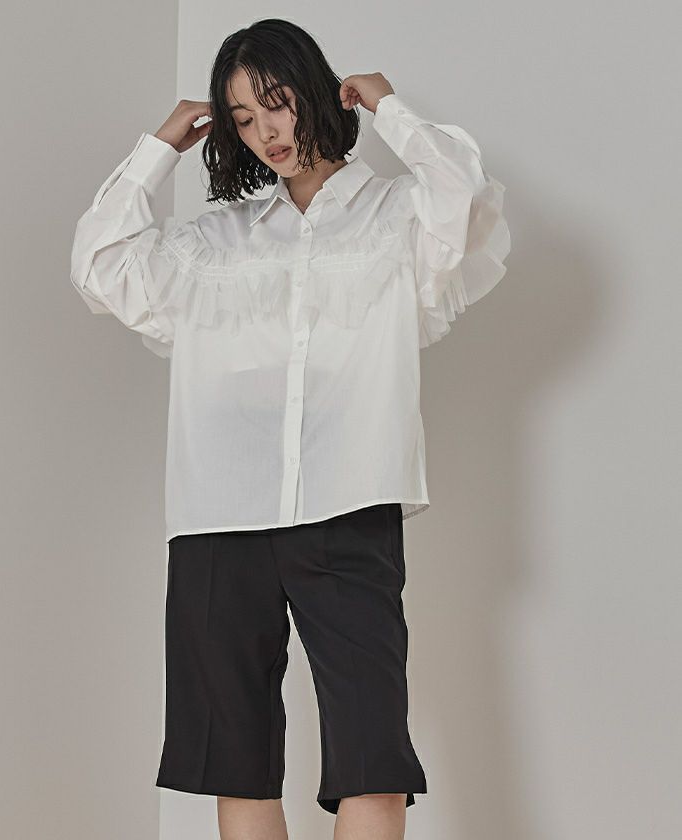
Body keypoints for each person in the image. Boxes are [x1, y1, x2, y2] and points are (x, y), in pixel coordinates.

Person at [70, 17, 510, 840]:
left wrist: (390, 108)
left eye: (276, 103)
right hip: (218, 518)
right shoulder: (214, 244)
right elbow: (98, 266)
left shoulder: (399, 220)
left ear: (316, 90)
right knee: (234, 759)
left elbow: (471, 200)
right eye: (242, 118)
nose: (265, 131)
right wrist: (158, 148)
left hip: (350, 504)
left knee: (372, 755)